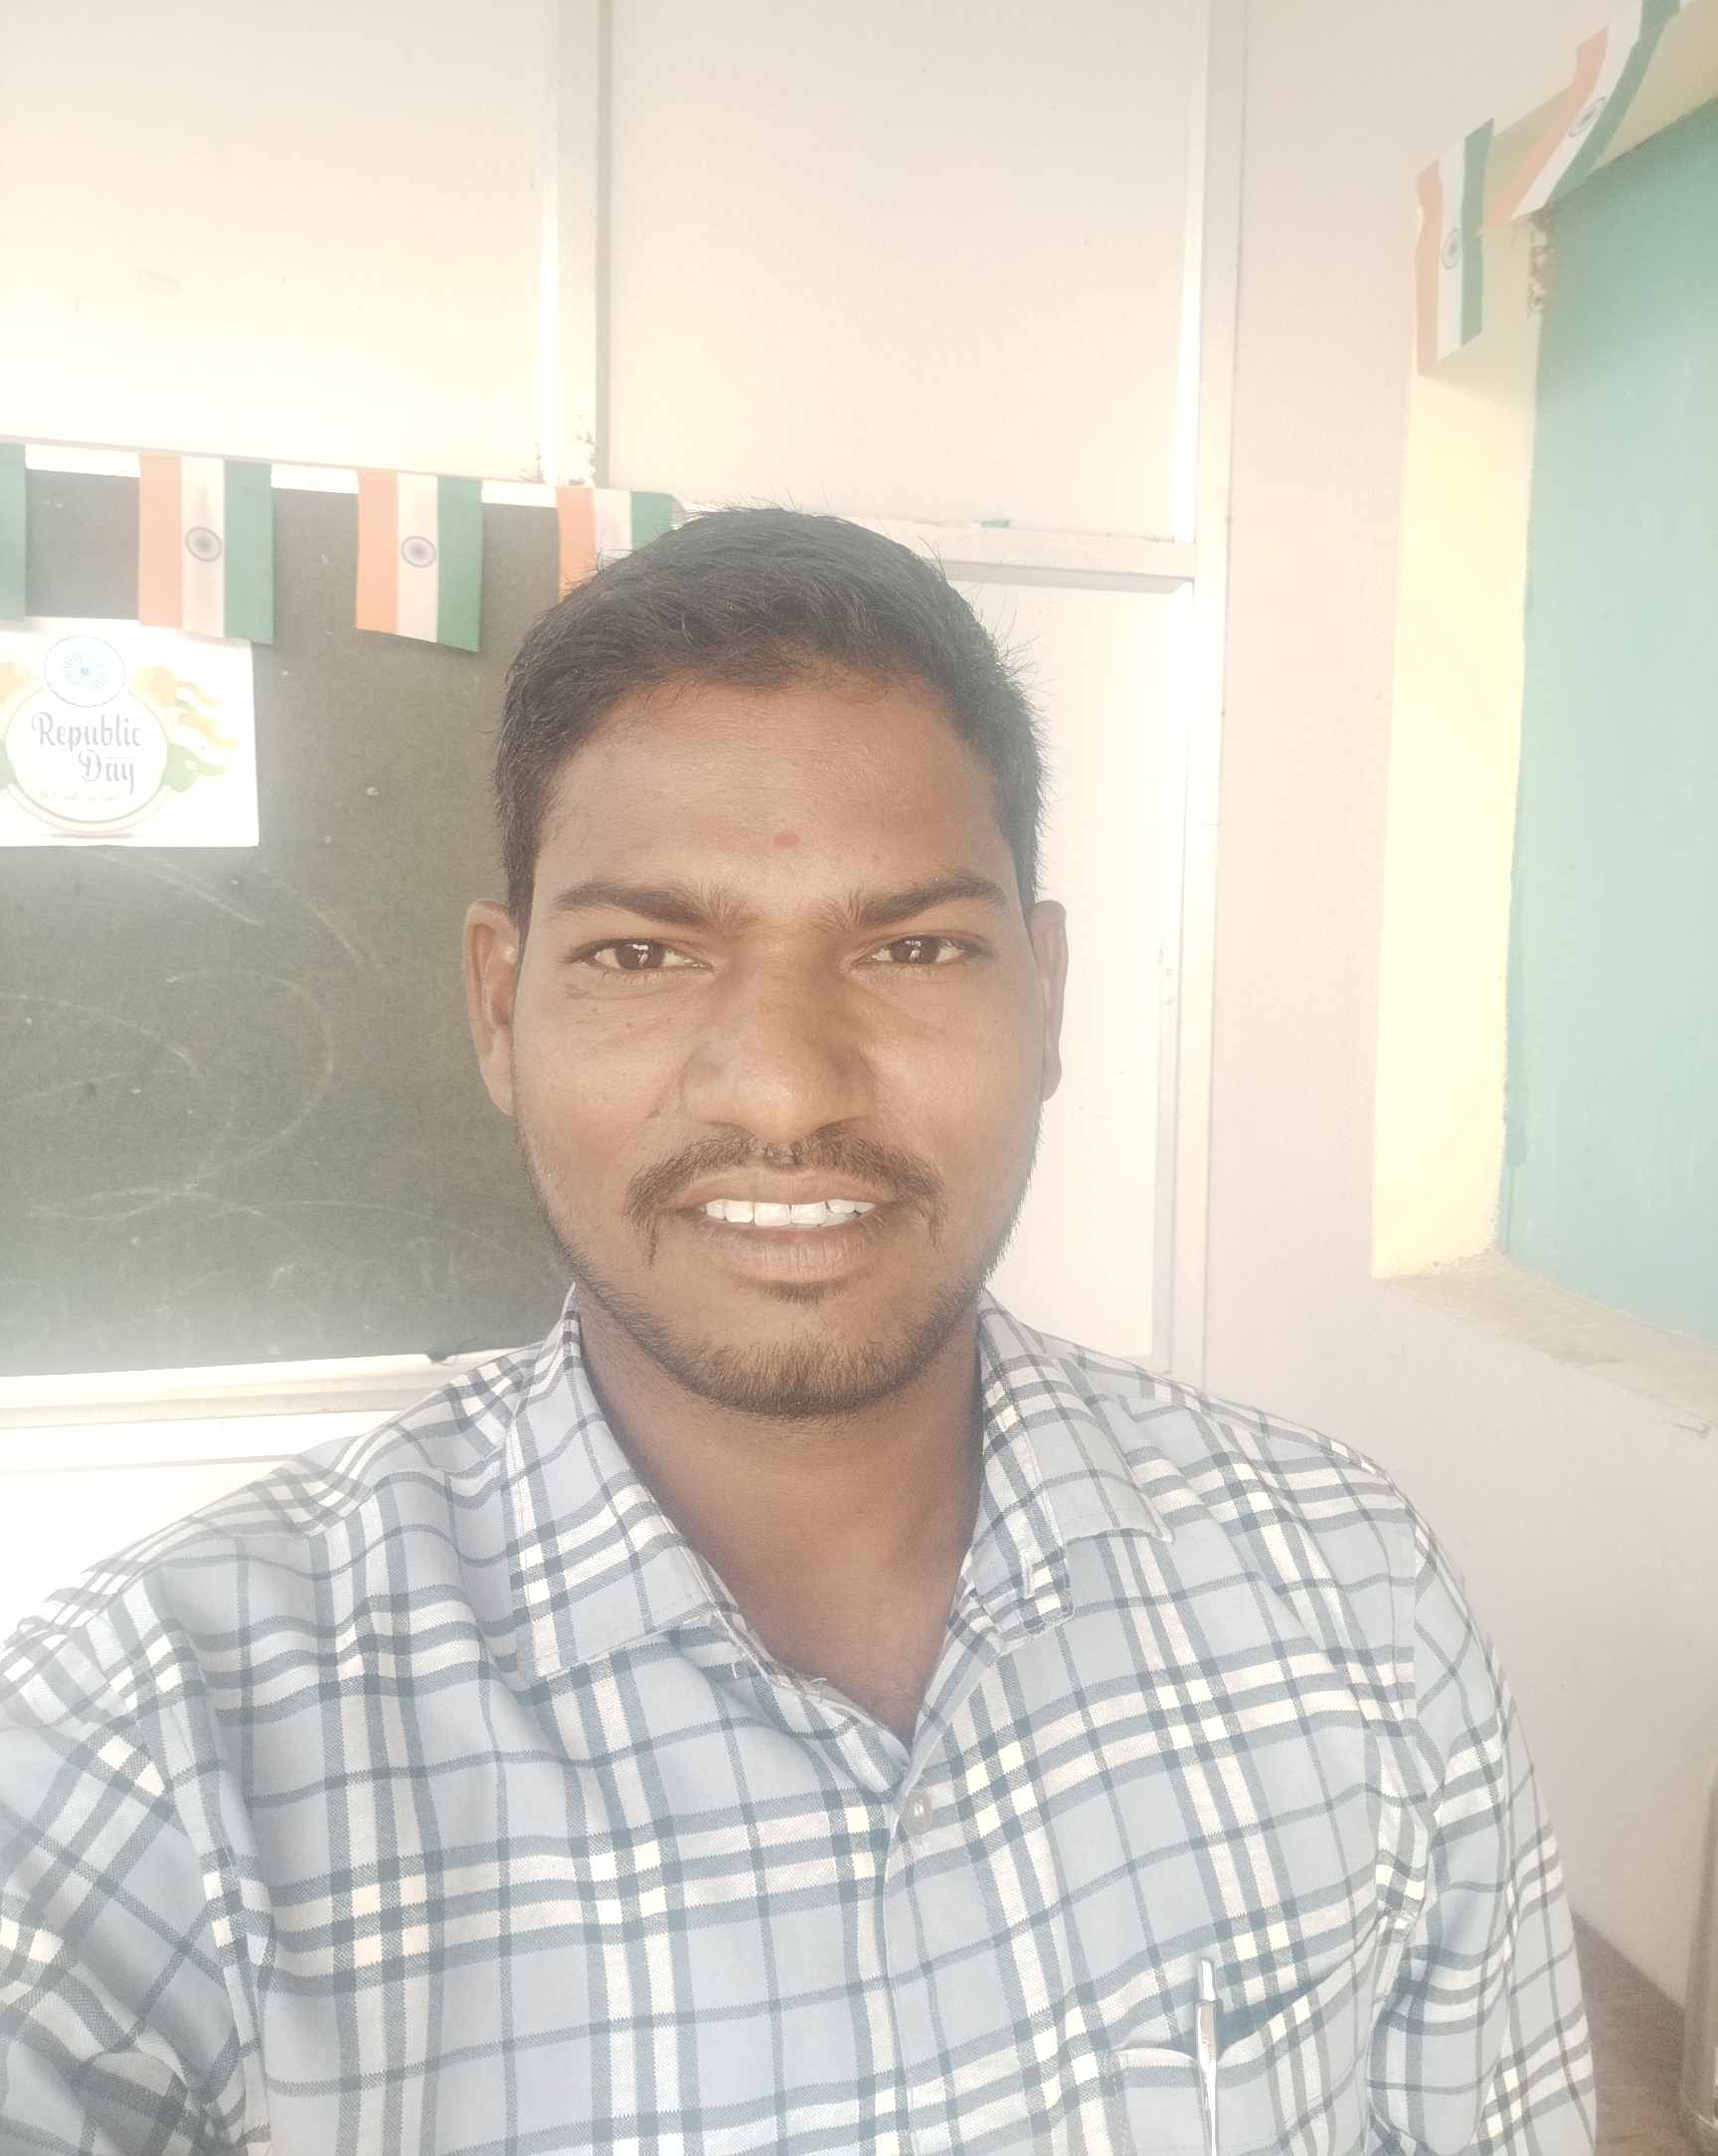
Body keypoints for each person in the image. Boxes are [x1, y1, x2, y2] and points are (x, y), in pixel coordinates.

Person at [1, 509, 1592, 2154]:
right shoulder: (141, 1756)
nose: (781, 1090)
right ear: (498, 1007)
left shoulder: (1353, 1594)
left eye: (912, 947)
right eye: (643, 952)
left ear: (1047, 999)